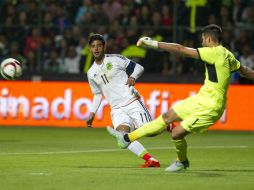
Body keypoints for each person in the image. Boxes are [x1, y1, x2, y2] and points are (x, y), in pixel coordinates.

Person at [107, 24, 254, 172]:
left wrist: (153, 43)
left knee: (177, 134)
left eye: (203, 39)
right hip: (201, 98)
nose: (201, 43)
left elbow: (180, 50)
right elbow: (245, 71)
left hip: (211, 107)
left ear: (209, 39)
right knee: (167, 116)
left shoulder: (214, 52)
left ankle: (182, 162)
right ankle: (126, 139)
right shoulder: (228, 54)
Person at [85, 34, 160, 168]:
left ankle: (167, 125)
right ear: (90, 49)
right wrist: (92, 113)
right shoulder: (91, 73)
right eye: (93, 46)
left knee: (151, 131)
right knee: (122, 137)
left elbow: (139, 68)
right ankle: (150, 160)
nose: (96, 49)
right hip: (117, 109)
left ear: (104, 47)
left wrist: (132, 77)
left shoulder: (115, 59)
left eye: (99, 46)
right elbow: (97, 94)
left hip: (131, 101)